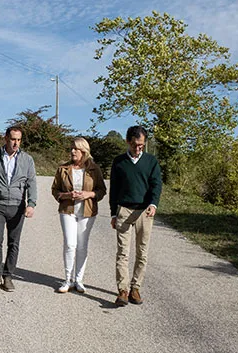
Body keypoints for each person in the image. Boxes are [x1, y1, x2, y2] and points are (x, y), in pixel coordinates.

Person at [0, 126, 37, 292]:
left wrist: (31, 203)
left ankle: (8, 276)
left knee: (14, 243)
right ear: (6, 138)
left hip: (17, 206)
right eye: (13, 139)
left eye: (18, 140)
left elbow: (31, 182)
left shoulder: (27, 159)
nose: (16, 143)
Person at [109, 125, 162, 306]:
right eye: (135, 145)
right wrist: (113, 213)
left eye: (141, 145)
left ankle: (135, 288)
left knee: (142, 253)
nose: (138, 148)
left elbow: (156, 185)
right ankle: (122, 290)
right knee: (123, 252)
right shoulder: (119, 162)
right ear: (127, 141)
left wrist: (153, 204)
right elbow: (114, 189)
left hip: (144, 212)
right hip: (124, 210)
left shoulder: (151, 161)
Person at [51, 137, 106, 294]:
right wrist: (67, 195)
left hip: (87, 212)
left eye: (76, 149)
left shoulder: (94, 169)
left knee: (82, 246)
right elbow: (54, 190)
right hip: (67, 211)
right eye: (71, 148)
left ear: (84, 151)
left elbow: (102, 190)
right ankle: (67, 280)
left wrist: (88, 194)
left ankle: (79, 280)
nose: (72, 151)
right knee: (70, 244)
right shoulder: (63, 169)